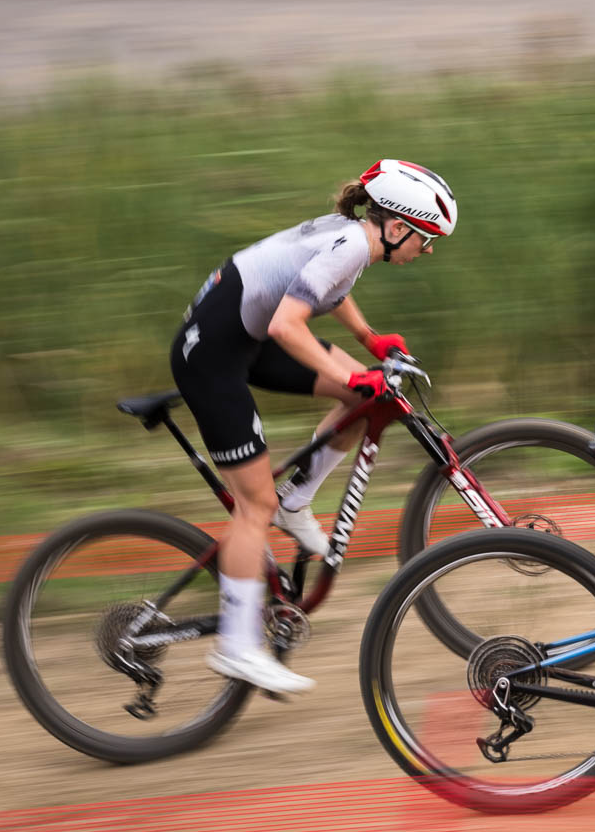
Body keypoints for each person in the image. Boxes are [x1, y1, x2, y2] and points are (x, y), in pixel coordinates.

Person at [170, 160, 456, 696]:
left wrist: (369, 341)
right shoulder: (352, 244)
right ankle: (236, 646)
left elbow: (326, 289)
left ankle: (296, 501)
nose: (429, 249)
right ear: (398, 228)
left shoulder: (355, 239)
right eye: (428, 237)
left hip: (244, 340)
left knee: (361, 397)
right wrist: (351, 373)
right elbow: (286, 324)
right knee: (254, 505)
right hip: (213, 357)